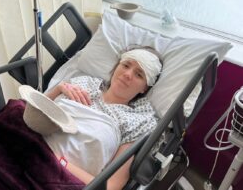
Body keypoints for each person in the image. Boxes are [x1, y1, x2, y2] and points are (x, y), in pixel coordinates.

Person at [45, 46, 163, 190]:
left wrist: (57, 161)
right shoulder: (85, 83)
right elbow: (30, 112)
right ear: (116, 67)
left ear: (144, 88)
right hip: (27, 143)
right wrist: (58, 89)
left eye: (139, 74)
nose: (127, 74)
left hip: (56, 176)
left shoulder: (138, 122)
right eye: (125, 65)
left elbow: (111, 186)